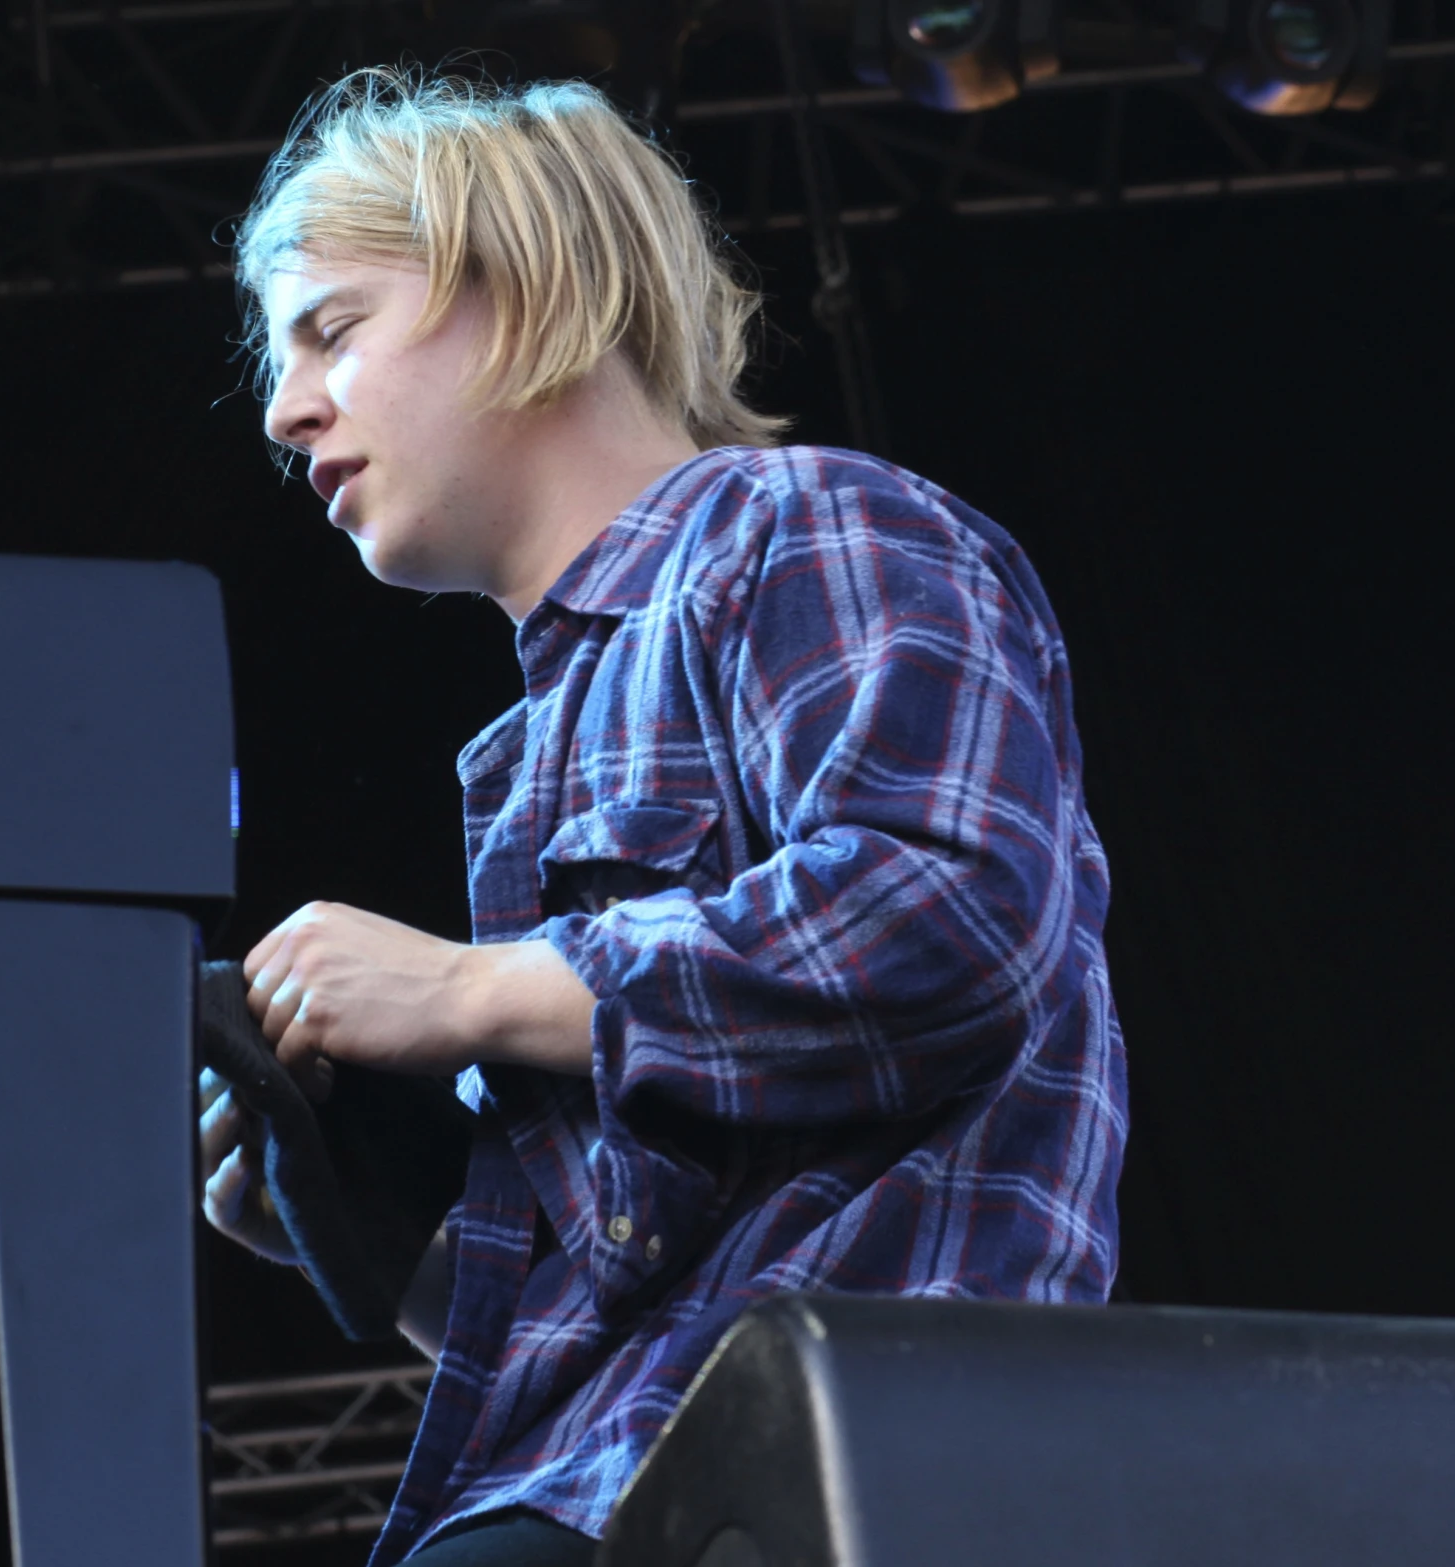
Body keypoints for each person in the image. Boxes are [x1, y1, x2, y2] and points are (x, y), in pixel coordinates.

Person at [198, 68, 1126, 1567]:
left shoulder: (806, 525)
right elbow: (620, 1304)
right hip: (623, 1477)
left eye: (334, 327)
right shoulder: (535, 744)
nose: (283, 404)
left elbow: (948, 909)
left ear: (526, 288)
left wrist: (471, 986)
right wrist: (365, 1236)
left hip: (838, 1474)